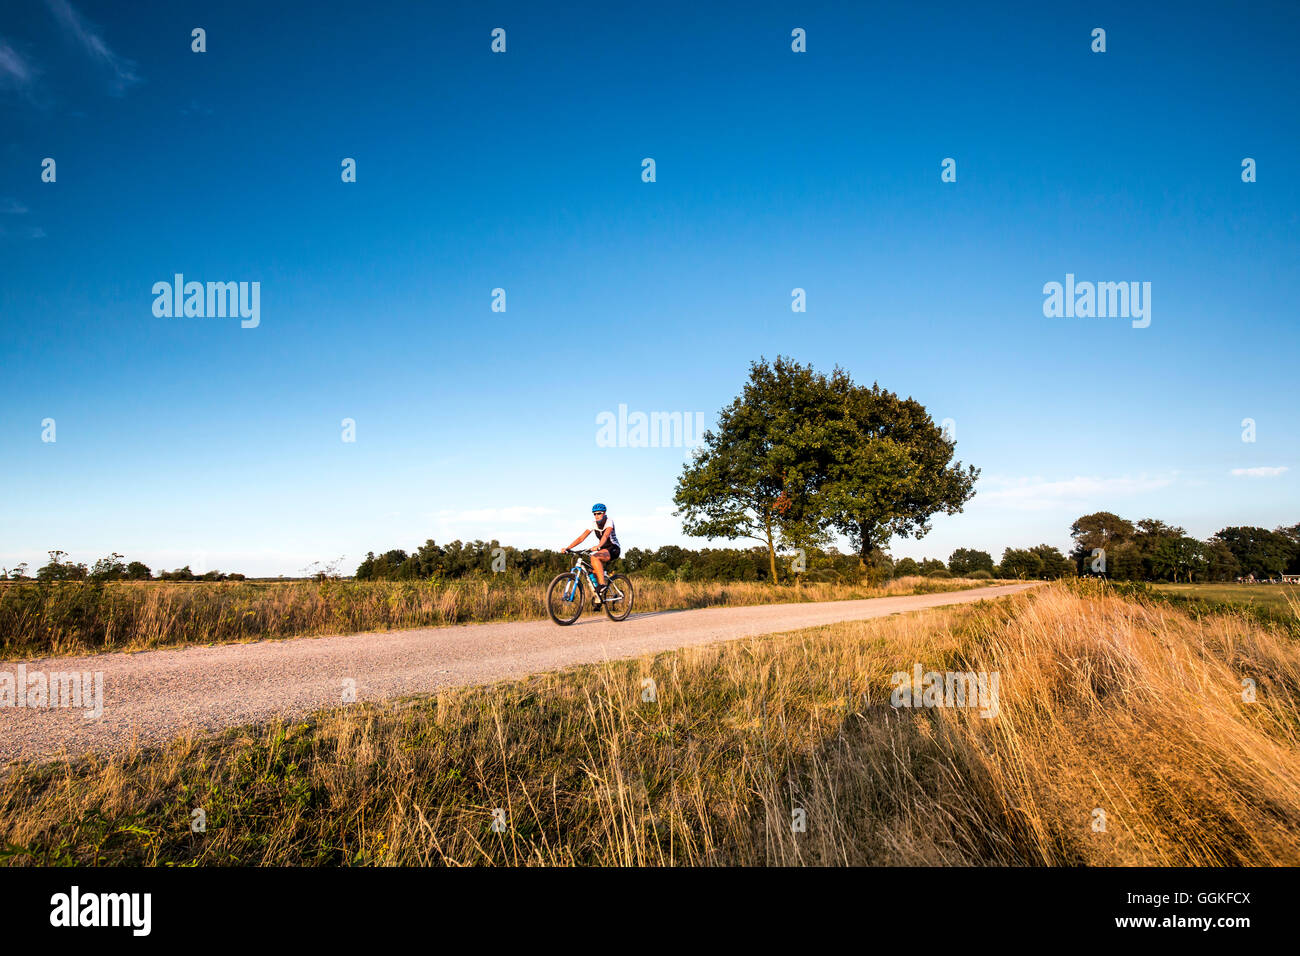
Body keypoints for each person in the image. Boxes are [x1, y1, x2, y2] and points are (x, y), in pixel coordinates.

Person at [563, 503, 621, 604]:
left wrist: (598, 546)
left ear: (604, 513)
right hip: (602, 549)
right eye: (594, 514)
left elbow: (605, 535)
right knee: (592, 570)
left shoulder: (609, 521)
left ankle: (602, 585)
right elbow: (581, 538)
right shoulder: (593, 524)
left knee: (594, 557)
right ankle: (599, 599)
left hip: (613, 548)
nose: (596, 515)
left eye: (599, 513)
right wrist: (568, 547)